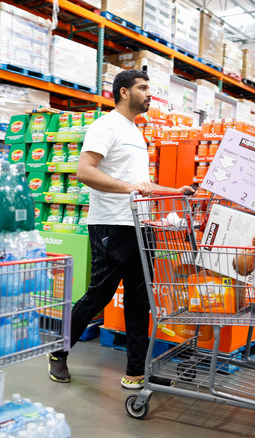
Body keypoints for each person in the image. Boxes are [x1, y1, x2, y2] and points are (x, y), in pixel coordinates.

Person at [47, 70, 193, 389]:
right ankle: (58, 352)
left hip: (139, 224)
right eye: (143, 88)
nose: (149, 94)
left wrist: (174, 191)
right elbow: (84, 171)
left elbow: (142, 185)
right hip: (111, 224)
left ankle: (136, 372)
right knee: (99, 294)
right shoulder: (105, 126)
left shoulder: (136, 132)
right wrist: (129, 189)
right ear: (124, 93)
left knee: (140, 300)